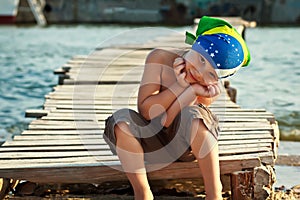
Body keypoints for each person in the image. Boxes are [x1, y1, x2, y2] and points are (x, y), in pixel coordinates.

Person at [104, 16, 251, 200]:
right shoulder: (159, 58)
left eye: (211, 73)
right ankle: (142, 192)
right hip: (151, 142)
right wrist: (180, 86)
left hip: (185, 148)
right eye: (201, 59)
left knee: (196, 115)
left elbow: (169, 121)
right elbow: (147, 112)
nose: (199, 71)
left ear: (217, 79)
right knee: (120, 121)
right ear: (194, 45)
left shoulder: (209, 89)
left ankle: (214, 193)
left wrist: (192, 91)